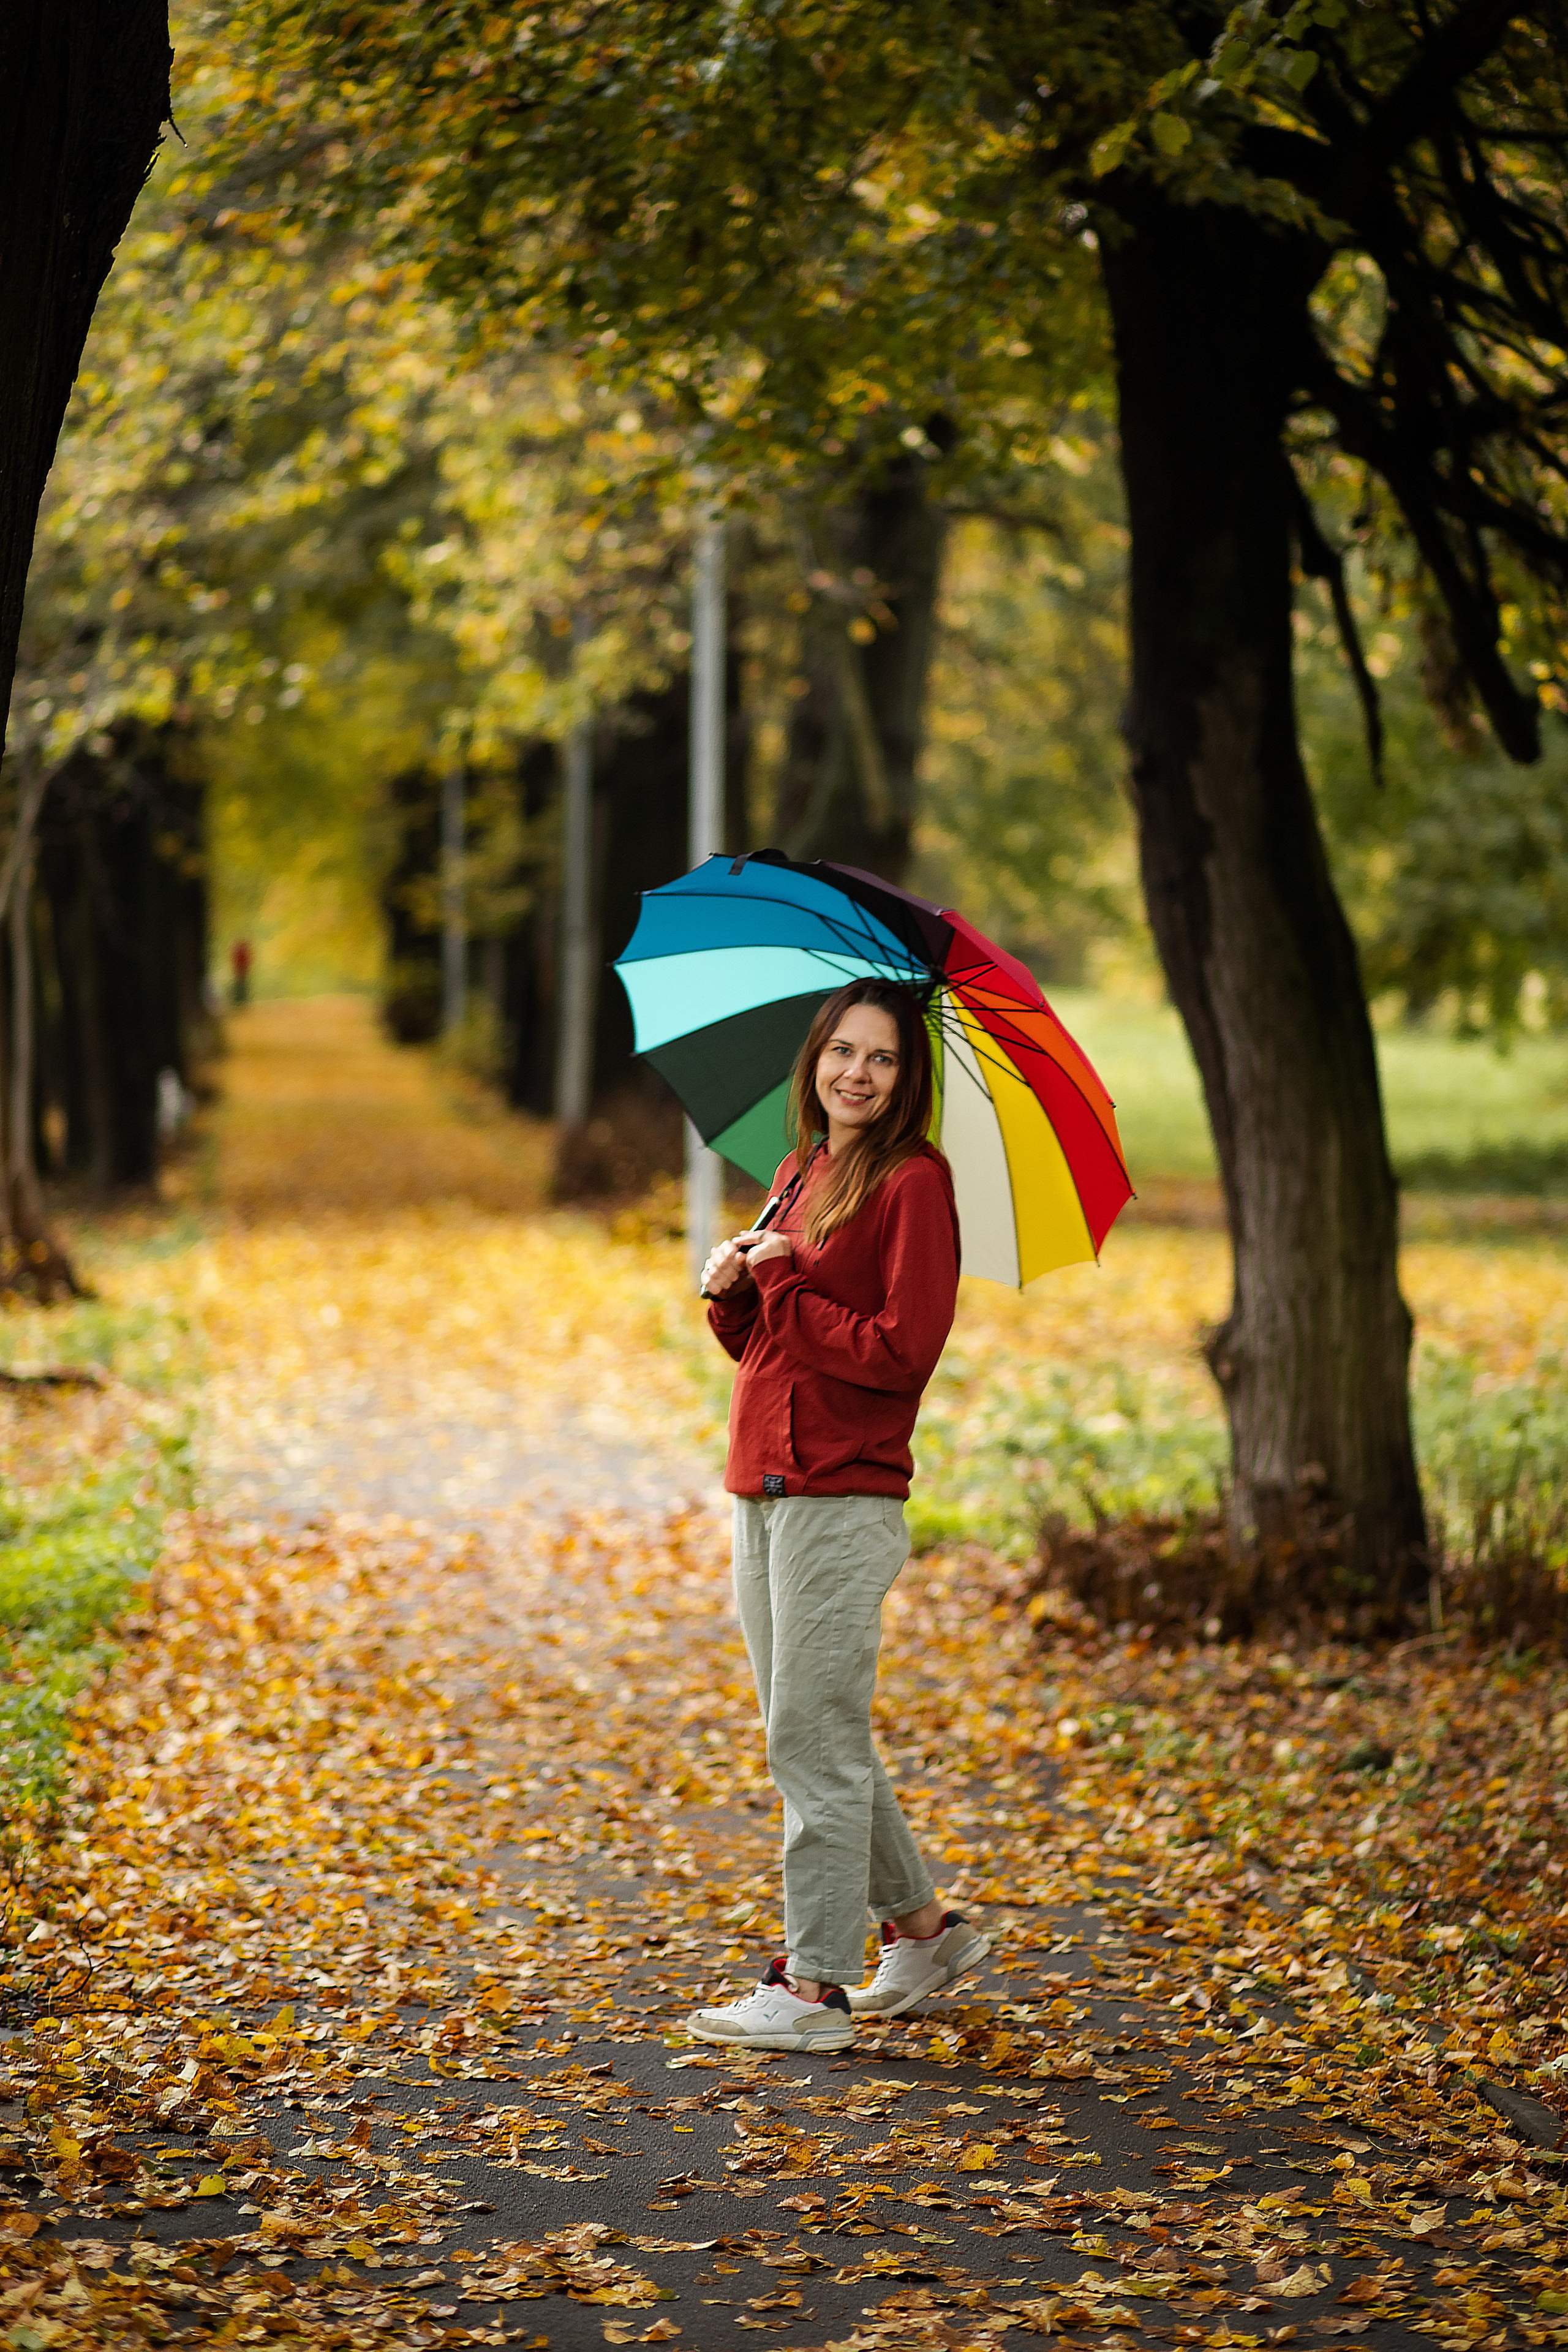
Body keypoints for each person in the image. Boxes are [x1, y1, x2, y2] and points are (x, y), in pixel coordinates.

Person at [688, 977, 990, 2055]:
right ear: (814, 1058)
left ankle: (815, 1987)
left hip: (845, 1492)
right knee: (810, 1729)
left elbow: (901, 1351)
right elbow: (770, 1349)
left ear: (909, 1082)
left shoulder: (914, 1183)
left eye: (886, 1060)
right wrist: (737, 1288)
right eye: (843, 1052)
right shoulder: (800, 1172)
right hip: (762, 1483)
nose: (858, 1074)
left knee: (808, 1735)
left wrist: (791, 1288)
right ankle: (922, 1927)